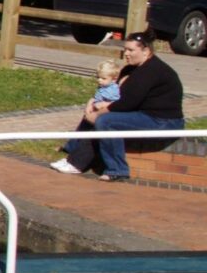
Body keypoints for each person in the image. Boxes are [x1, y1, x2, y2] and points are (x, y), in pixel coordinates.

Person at [56, 32, 184, 179]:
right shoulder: (130, 69)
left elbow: (127, 102)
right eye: (125, 49)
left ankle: (117, 170)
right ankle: (72, 151)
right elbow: (114, 94)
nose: (126, 54)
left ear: (146, 51)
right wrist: (92, 103)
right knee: (96, 112)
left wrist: (99, 114)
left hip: (164, 122)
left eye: (131, 50)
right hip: (142, 114)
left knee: (105, 121)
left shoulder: (152, 70)